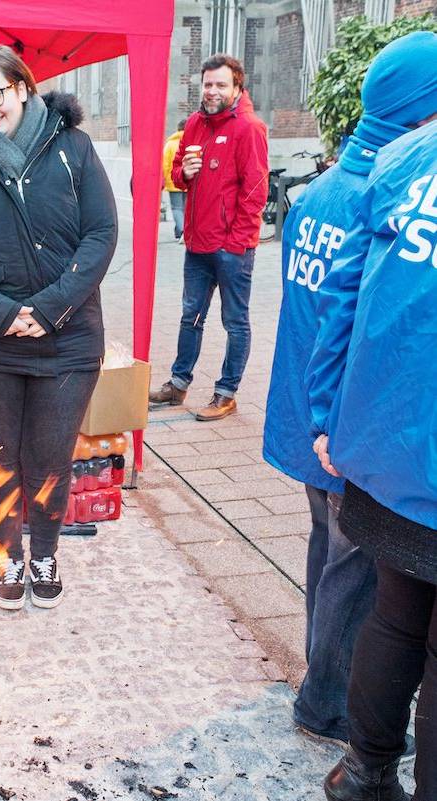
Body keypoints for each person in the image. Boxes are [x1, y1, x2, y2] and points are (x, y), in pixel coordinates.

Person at [264, 33, 436, 759]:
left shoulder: (329, 185)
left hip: (313, 417)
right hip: (353, 427)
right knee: (360, 577)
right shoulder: (390, 184)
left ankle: (322, 675)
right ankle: (326, 697)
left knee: (330, 558)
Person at [0, 45, 117, 610]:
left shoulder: (73, 148)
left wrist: (50, 308)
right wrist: (2, 313)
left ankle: (45, 551)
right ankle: (8, 555)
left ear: (22, 87)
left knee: (51, 456)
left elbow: (101, 234)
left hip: (68, 338)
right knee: (0, 457)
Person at [149, 54, 268, 421]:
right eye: (208, 84)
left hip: (231, 248)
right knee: (191, 316)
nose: (212, 91)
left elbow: (256, 190)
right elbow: (177, 169)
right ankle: (178, 384)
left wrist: (237, 242)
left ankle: (226, 393)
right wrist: (183, 171)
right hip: (197, 243)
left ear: (236, 88)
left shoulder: (249, 128)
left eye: (220, 84)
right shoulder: (196, 124)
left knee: (235, 322)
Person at [163, 119, 186, 240]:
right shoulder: (191, 141)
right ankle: (181, 232)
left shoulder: (170, 144)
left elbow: (165, 164)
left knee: (177, 208)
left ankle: (181, 231)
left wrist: (167, 180)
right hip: (188, 181)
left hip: (173, 182)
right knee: (186, 208)